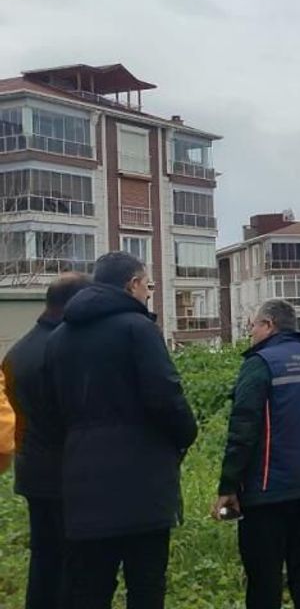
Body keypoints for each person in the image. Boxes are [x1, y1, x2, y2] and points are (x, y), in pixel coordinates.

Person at [46, 252, 198, 609]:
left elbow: (50, 409)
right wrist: (184, 436)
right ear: (133, 284)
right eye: (148, 286)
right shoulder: (138, 329)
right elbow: (166, 397)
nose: (148, 293)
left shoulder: (59, 337)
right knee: (145, 586)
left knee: (89, 589)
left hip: (82, 485)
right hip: (143, 486)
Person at [212, 299, 300, 609]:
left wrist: (228, 486)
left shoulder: (260, 364)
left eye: (253, 326)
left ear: (269, 325)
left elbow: (243, 429)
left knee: (264, 578)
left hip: (267, 493)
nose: (251, 333)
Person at [3, 273, 92, 608]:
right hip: (65, 472)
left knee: (43, 559)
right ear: (76, 304)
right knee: (72, 563)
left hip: (31, 469)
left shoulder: (18, 351)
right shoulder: (62, 350)